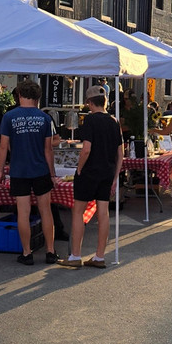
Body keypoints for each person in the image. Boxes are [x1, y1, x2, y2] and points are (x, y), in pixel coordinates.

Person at [57, 86, 124, 269]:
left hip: (89, 172)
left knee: (78, 212)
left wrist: (79, 168)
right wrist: (115, 175)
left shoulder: (90, 121)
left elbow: (86, 149)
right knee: (103, 213)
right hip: (107, 172)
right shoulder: (113, 121)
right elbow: (120, 151)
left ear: (89, 102)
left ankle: (75, 256)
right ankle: (99, 256)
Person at [0, 78, 59, 265]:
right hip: (41, 170)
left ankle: (26, 253)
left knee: (23, 213)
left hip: (19, 170)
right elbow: (48, 150)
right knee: (45, 211)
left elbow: (2, 147)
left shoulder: (9, 117)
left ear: (20, 95)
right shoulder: (45, 118)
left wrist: (0, 170)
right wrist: (53, 174)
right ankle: (50, 251)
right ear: (37, 97)